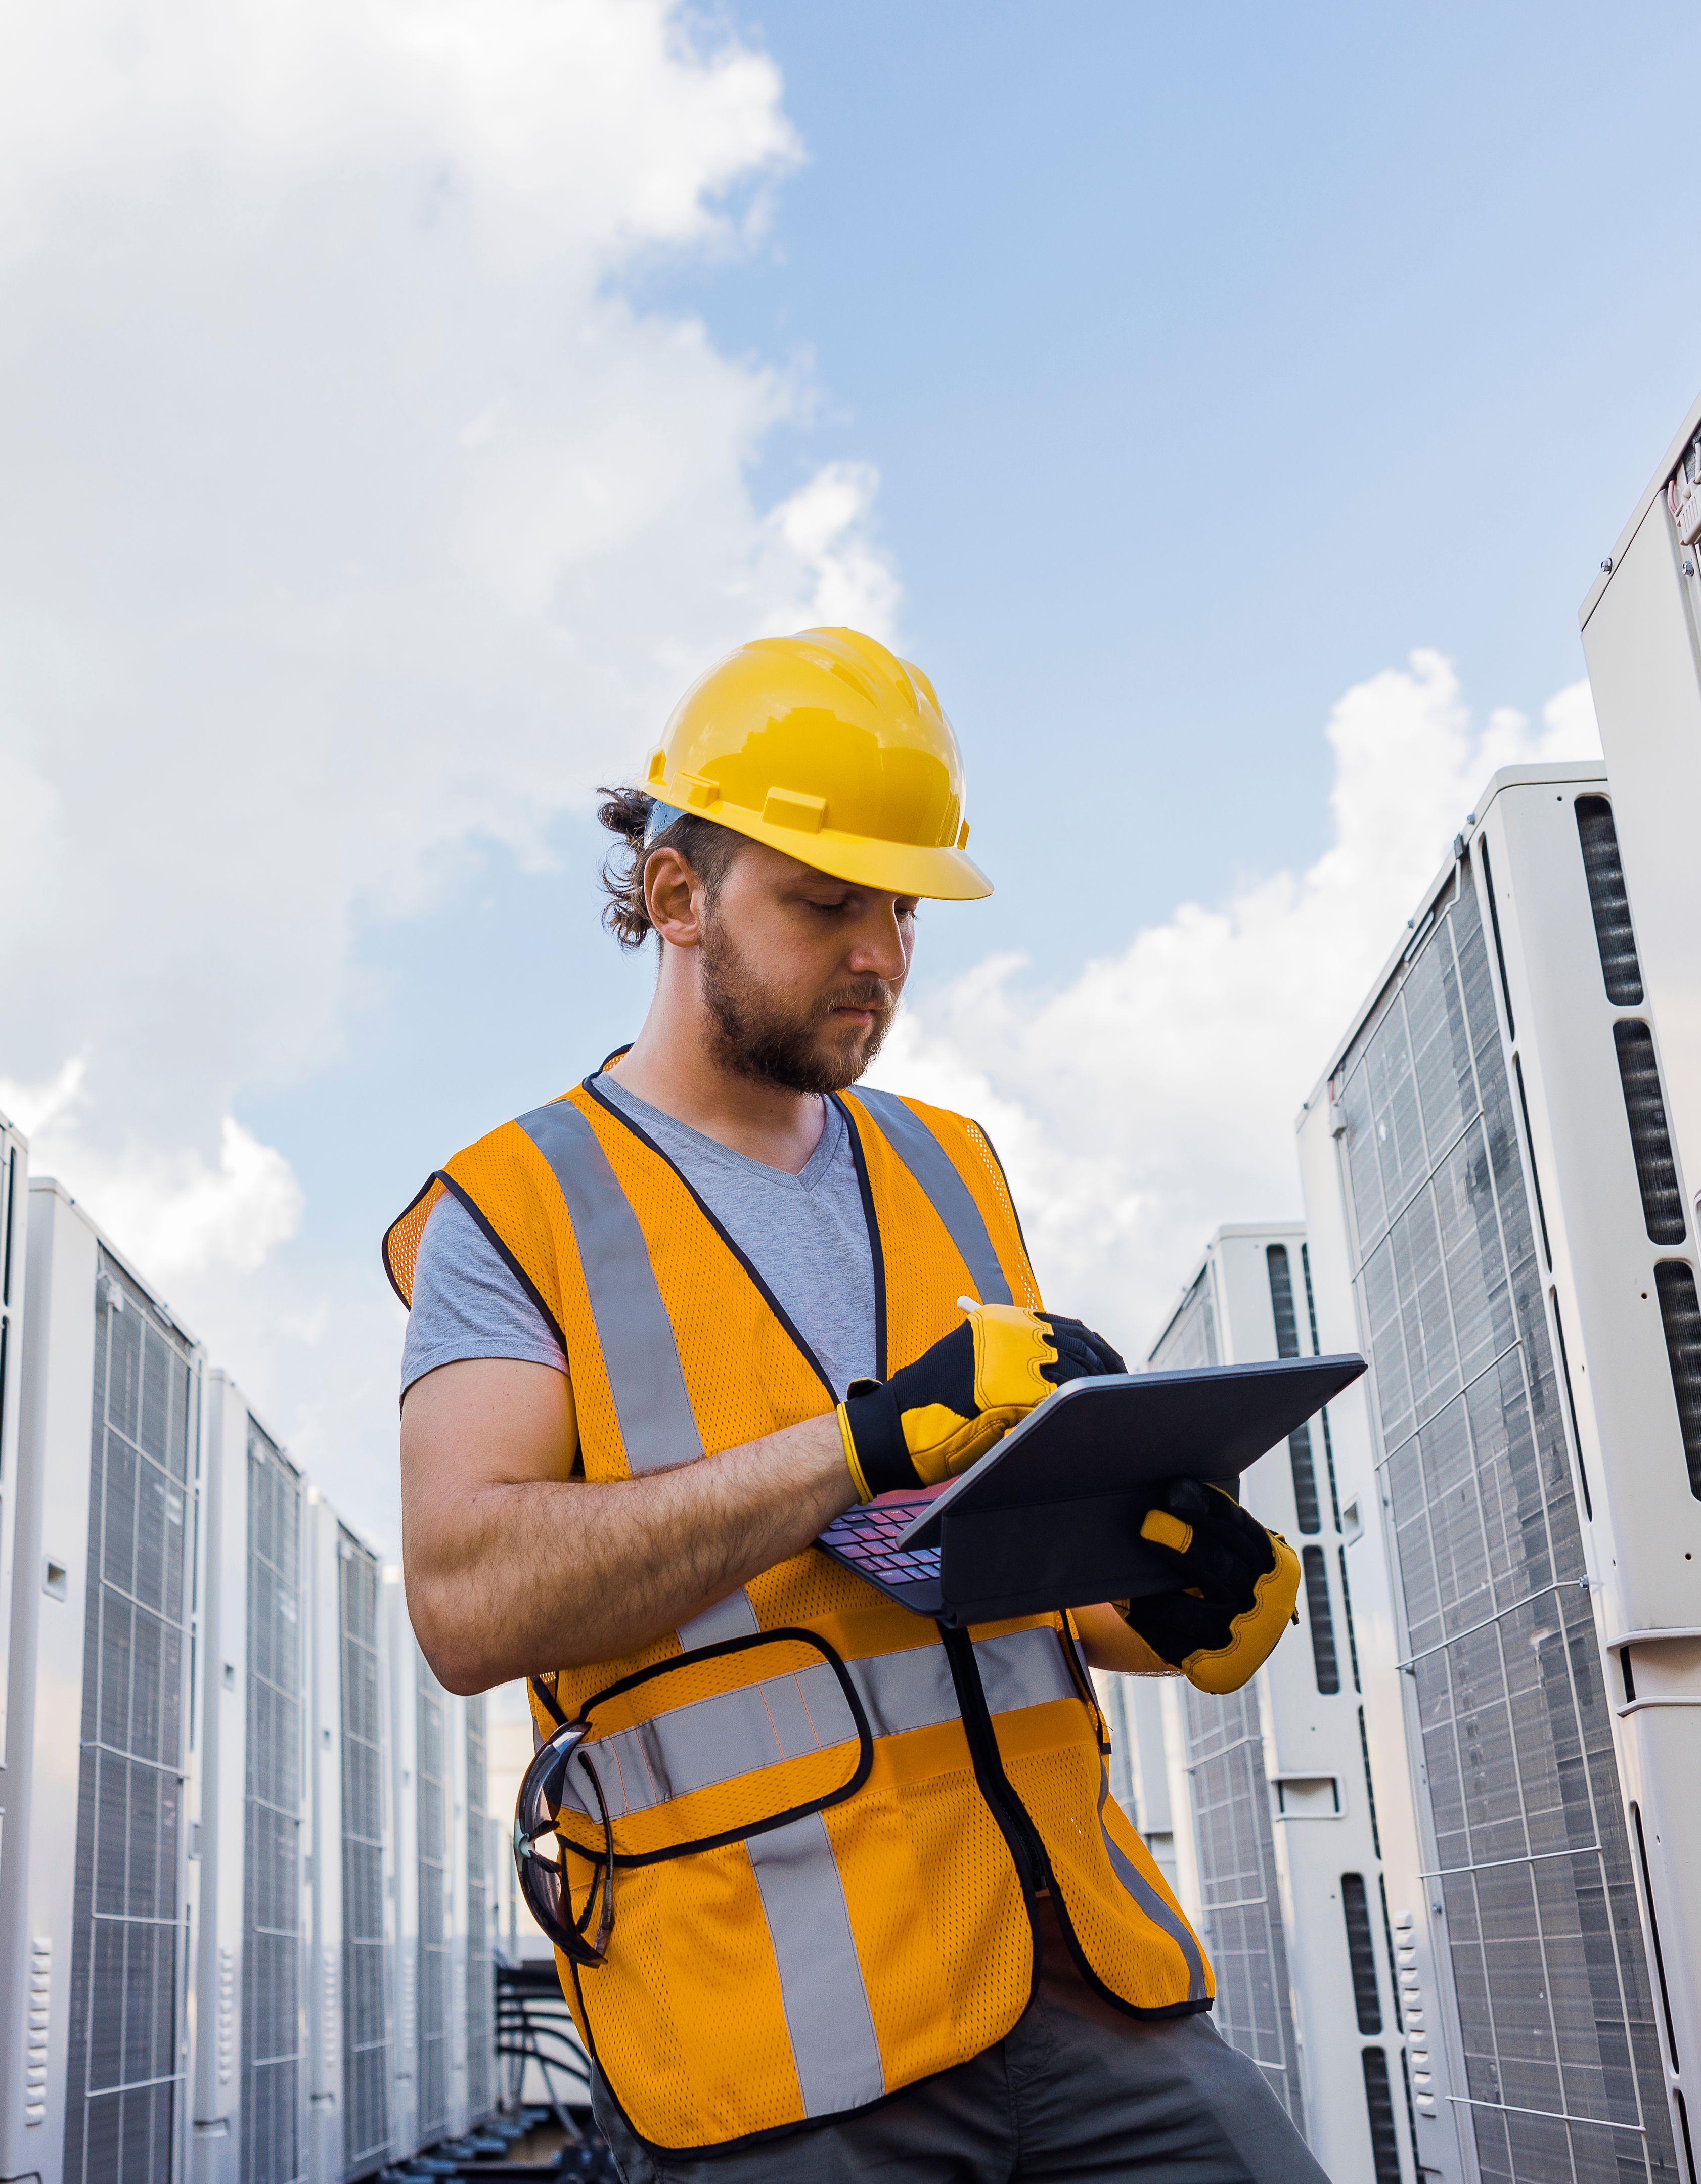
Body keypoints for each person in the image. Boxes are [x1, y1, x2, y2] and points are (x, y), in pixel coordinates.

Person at [387, 628, 1318, 2182]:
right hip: (778, 2044)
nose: (880, 951)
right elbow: (469, 1604)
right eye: (826, 903)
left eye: (903, 906)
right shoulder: (518, 1206)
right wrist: (857, 1444)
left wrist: (1148, 1596)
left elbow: (959, 1560)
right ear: (675, 898)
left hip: (1083, 1976)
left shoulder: (953, 1166)